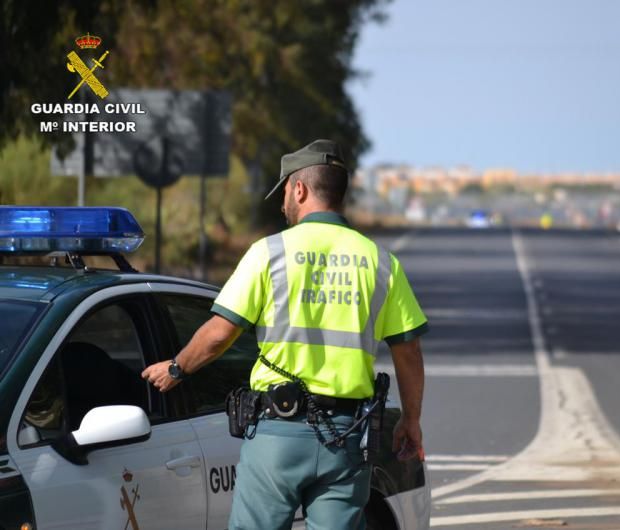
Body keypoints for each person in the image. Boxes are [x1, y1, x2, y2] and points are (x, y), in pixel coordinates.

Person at [142, 139, 428, 530]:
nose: (282, 206)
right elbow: (408, 352)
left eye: (284, 195)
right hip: (345, 438)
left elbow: (219, 334)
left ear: (300, 189)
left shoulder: (268, 253)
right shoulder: (381, 263)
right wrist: (410, 420)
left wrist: (176, 369)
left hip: (278, 434)